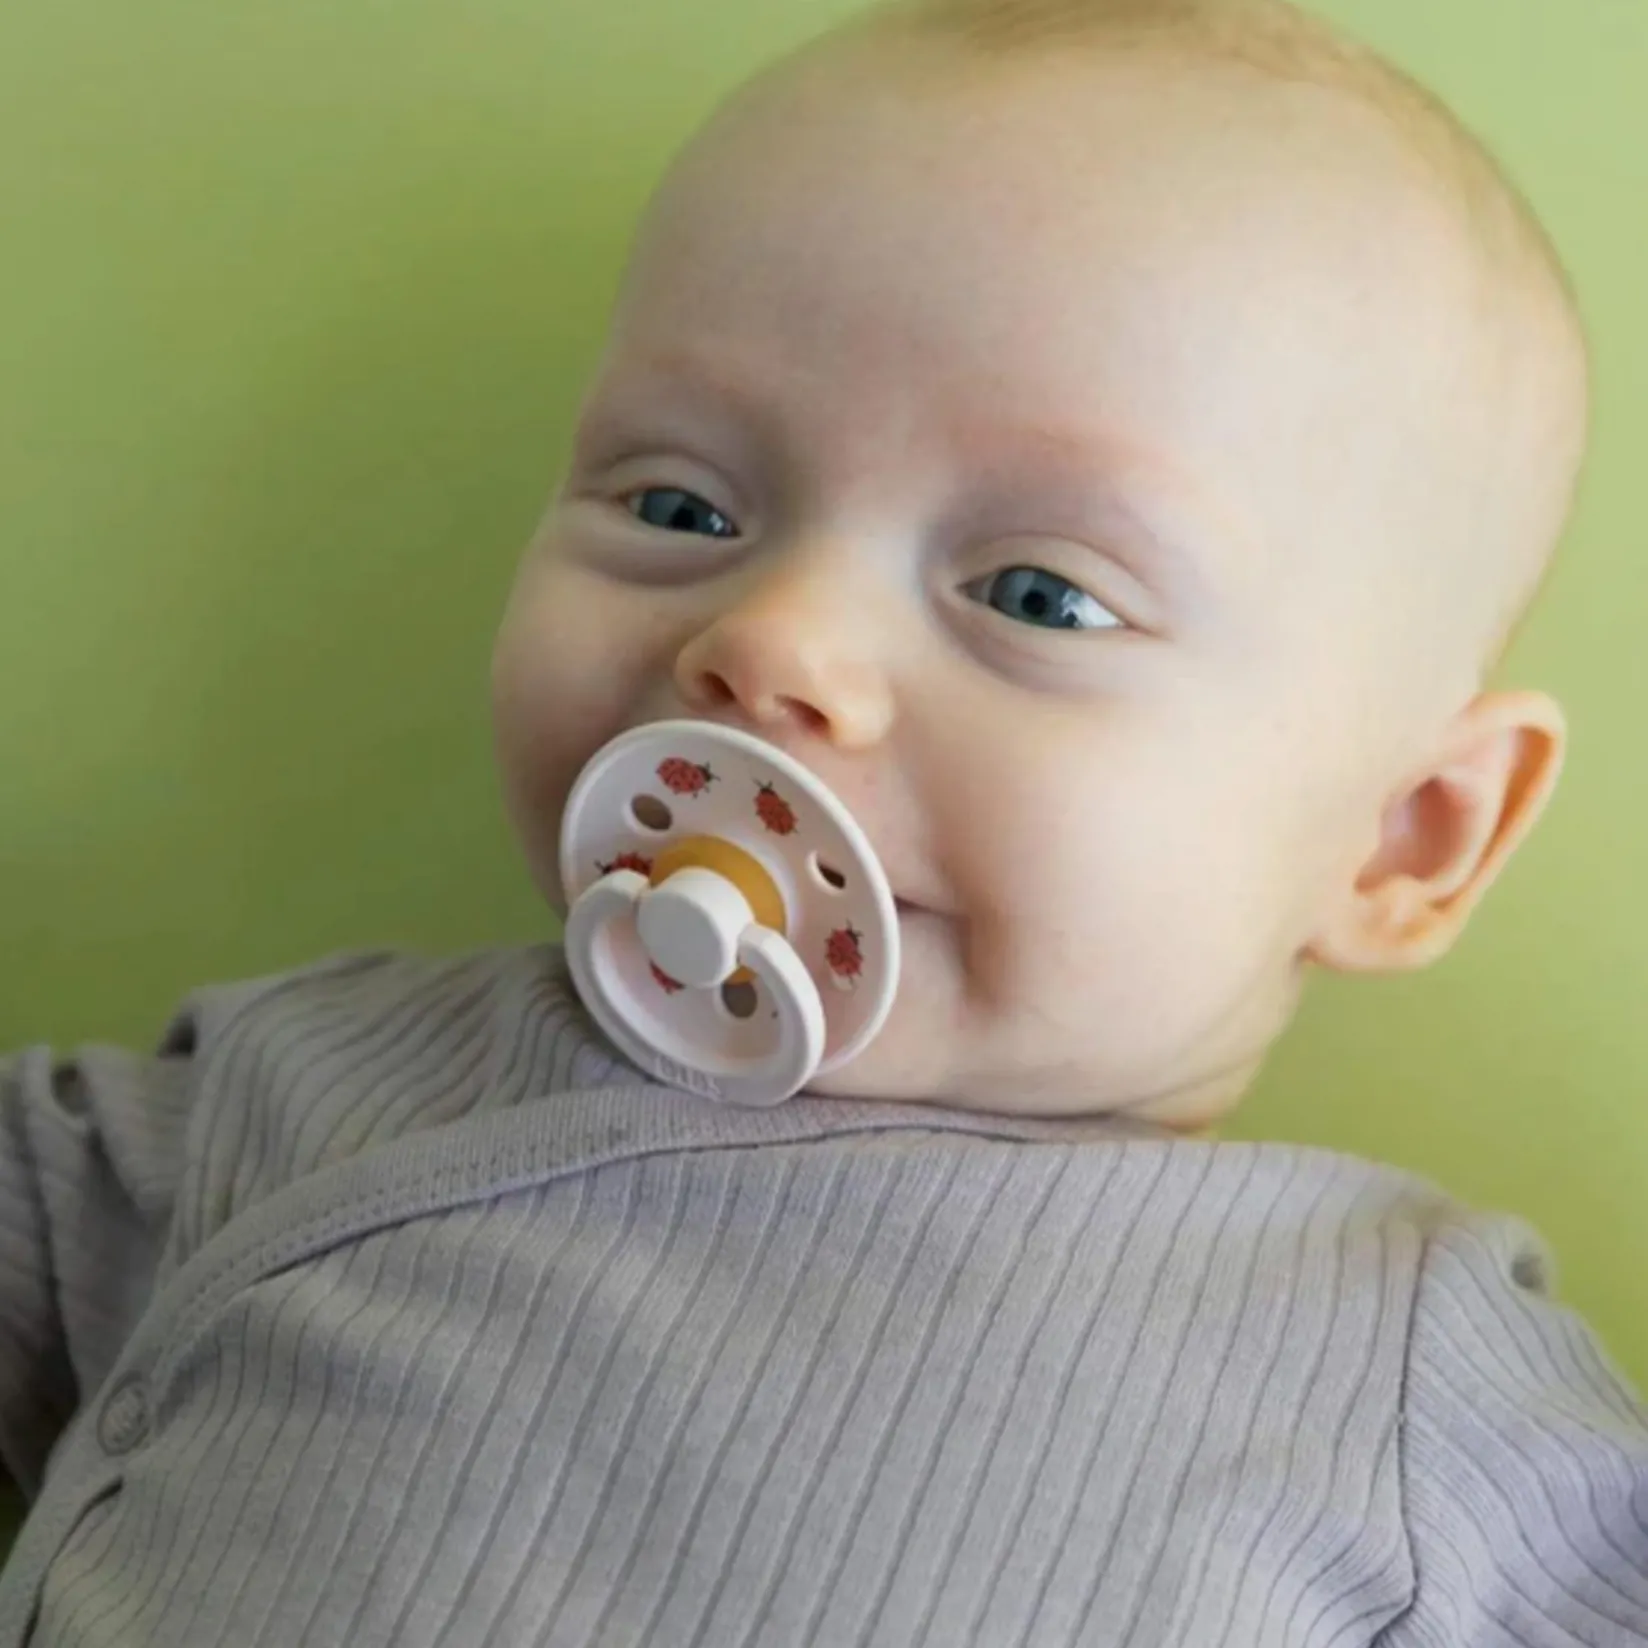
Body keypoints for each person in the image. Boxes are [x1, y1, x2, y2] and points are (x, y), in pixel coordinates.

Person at [3, 0, 1644, 1641]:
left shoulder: (1416, 1384)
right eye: (680, 505)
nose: (772, 640)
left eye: (1039, 596)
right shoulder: (320, 1083)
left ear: (1404, 838)